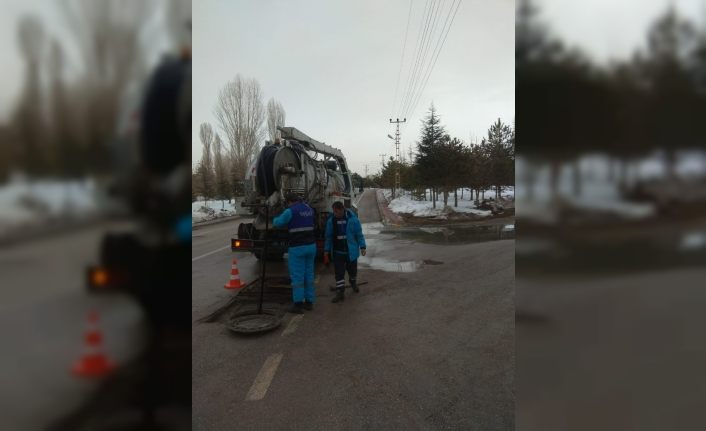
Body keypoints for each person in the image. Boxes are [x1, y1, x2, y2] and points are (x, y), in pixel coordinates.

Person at [273, 193, 317, 313]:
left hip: (298, 247)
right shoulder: (309, 209)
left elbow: (278, 223)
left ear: (289, 202)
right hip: (311, 246)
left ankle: (298, 305)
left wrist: (273, 218)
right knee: (309, 275)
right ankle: (309, 302)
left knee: (297, 277)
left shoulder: (290, 211)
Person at [324, 201, 367, 303]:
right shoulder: (331, 221)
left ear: (342, 209)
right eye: (334, 212)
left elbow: (359, 234)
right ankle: (340, 292)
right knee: (339, 273)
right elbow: (328, 237)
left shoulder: (353, 220)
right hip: (338, 252)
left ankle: (353, 282)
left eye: (337, 212)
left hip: (350, 252)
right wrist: (326, 251)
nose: (336, 214)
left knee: (352, 272)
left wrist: (363, 247)